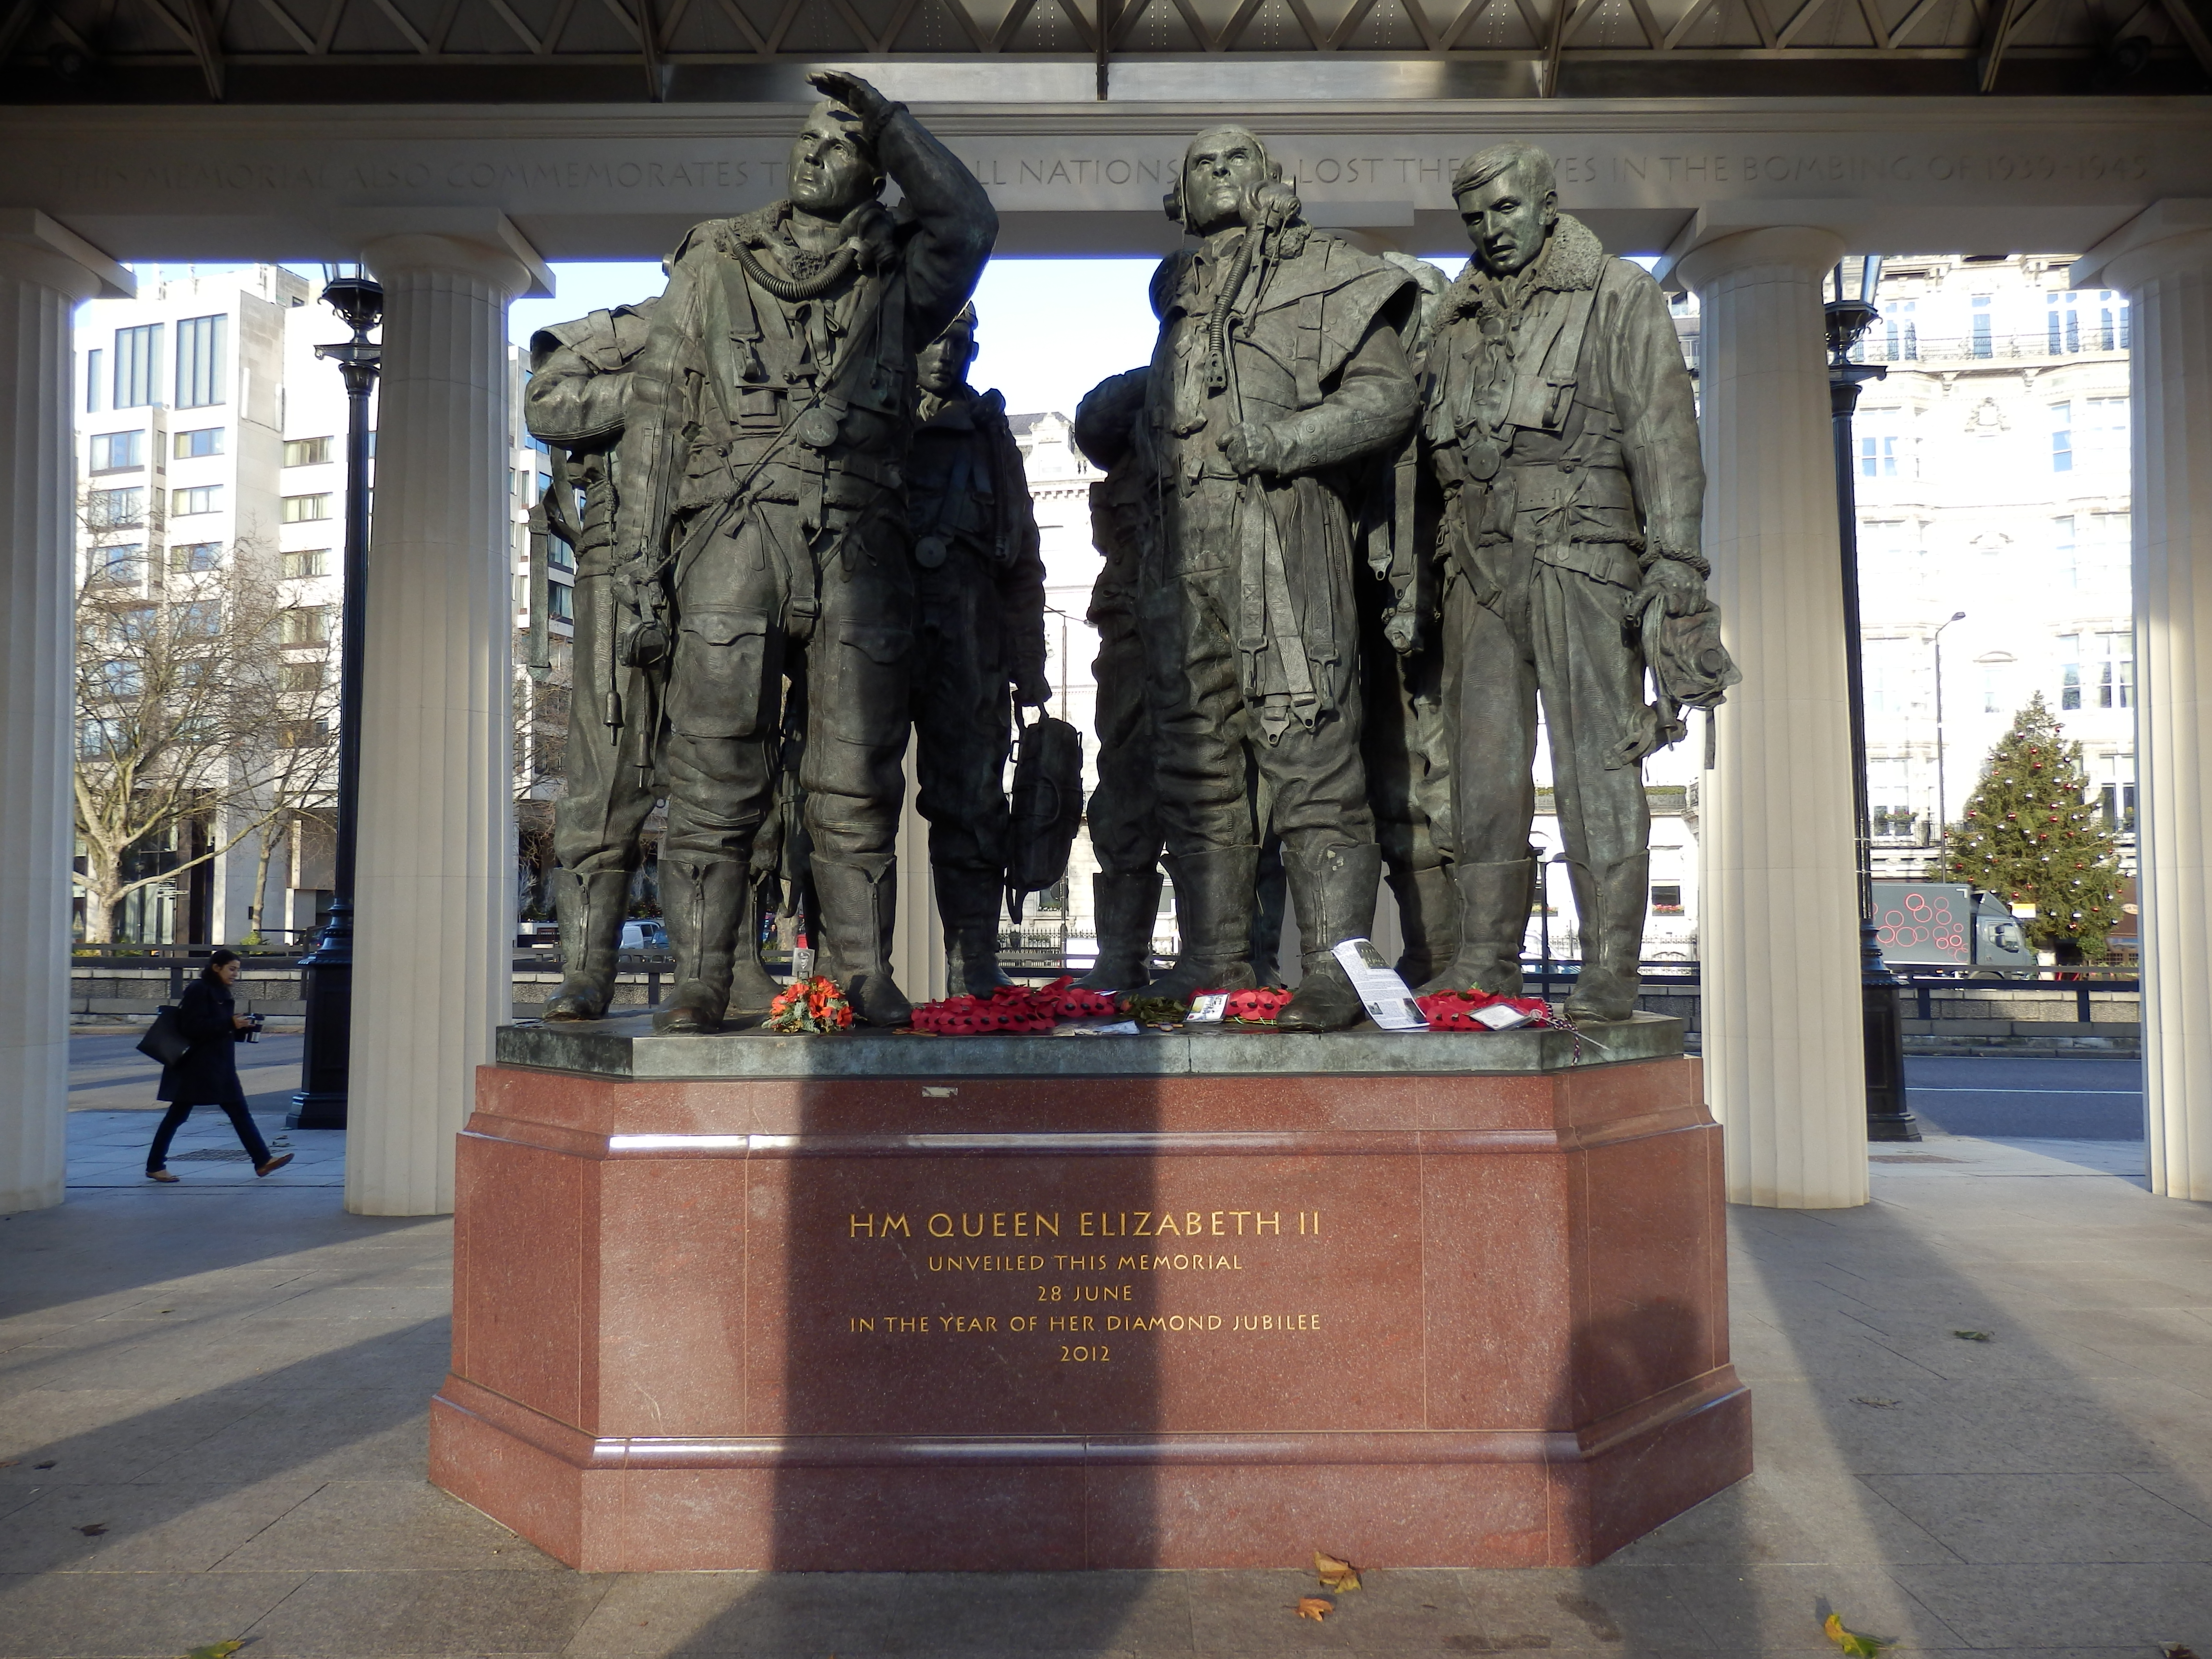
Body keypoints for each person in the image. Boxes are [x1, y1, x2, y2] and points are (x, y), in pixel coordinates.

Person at [615, 69, 996, 1030]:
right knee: (711, 767)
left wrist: (895, 122)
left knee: (856, 772)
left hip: (859, 539)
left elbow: (971, 223)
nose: (819, 152)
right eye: (810, 138)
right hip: (732, 533)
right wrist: (639, 574)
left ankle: (862, 970)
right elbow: (658, 414)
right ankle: (705, 977)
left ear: (877, 173)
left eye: (845, 143)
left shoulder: (901, 269)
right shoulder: (715, 256)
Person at [1417, 140, 1720, 1021]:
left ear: (1546, 203)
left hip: (1582, 559)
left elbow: (1664, 440)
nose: (1490, 230)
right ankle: (1484, 961)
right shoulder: (1451, 316)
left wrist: (1674, 571)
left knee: (1597, 766)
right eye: (1474, 219)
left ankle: (1609, 972)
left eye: (1504, 211)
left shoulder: (1617, 292)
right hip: (1475, 563)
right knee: (1481, 771)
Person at [1127, 124, 1421, 1031]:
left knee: (1309, 751)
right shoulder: (1178, 294)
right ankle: (1217, 958)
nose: (1219, 172)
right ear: (1180, 195)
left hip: (1280, 538)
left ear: (1273, 177)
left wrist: (1291, 440)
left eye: (1236, 158)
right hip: (1183, 552)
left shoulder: (1330, 269)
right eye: (1200, 163)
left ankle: (1334, 969)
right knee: (1195, 758)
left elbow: (1387, 397)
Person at [906, 303, 1050, 995]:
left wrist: (1029, 667)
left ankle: (973, 962)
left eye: (959, 342)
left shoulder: (991, 437)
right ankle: (856, 970)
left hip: (969, 635)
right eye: (932, 339)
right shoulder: (871, 424)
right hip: (876, 620)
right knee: (848, 799)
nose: (944, 353)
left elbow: (1022, 562)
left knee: (972, 799)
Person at [144, 950, 293, 1182]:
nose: (236, 974)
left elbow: (214, 1028)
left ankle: (262, 1160)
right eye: (231, 969)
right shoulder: (199, 989)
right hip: (198, 1067)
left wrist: (239, 1027)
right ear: (216, 967)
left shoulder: (219, 991)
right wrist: (229, 1022)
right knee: (181, 1115)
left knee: (235, 1112)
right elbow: (192, 1028)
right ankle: (155, 1165)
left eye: (237, 969)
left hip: (217, 1065)